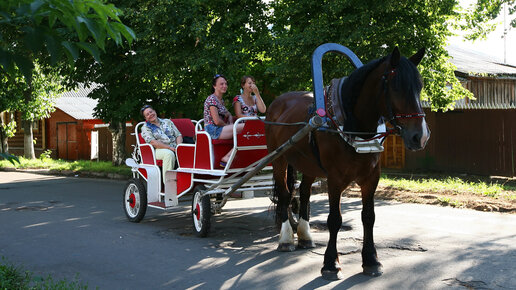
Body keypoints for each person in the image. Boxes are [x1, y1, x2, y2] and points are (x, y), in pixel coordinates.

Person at [203, 74, 244, 166]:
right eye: (221, 84)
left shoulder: (221, 101)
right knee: (246, 127)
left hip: (219, 128)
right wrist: (229, 126)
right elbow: (217, 121)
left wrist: (229, 118)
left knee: (247, 133)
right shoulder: (211, 99)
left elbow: (227, 113)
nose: (224, 86)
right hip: (212, 130)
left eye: (225, 84)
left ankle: (233, 156)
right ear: (214, 86)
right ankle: (227, 157)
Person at [140, 105, 183, 182]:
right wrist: (169, 148)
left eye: (151, 112)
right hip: (158, 149)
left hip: (175, 146)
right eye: (147, 114)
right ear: (145, 118)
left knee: (188, 150)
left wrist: (179, 147)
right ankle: (168, 183)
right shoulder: (145, 128)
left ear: (155, 111)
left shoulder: (167, 121)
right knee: (169, 154)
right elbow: (153, 142)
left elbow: (178, 135)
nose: (150, 114)